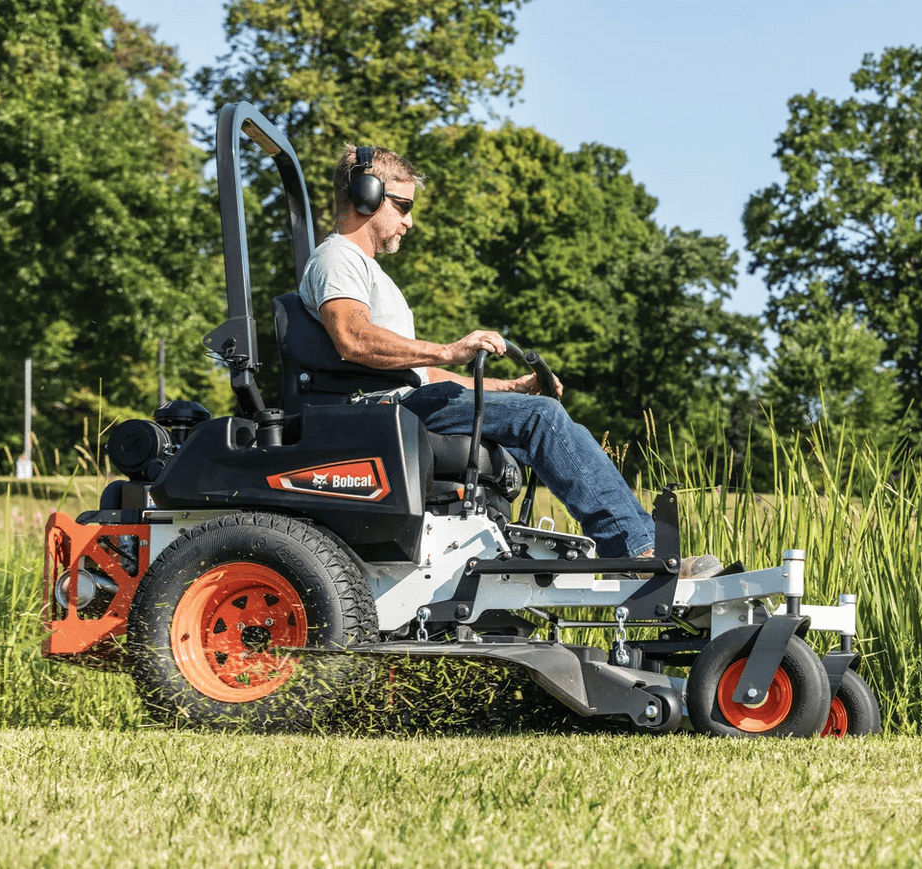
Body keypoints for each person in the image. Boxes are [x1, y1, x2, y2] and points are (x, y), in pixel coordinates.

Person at [298, 144, 719, 575]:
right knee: (544, 419)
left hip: (402, 404)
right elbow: (352, 336)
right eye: (402, 206)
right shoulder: (338, 258)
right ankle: (639, 551)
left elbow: (421, 375)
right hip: (378, 412)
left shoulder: (367, 271)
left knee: (535, 411)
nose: (410, 220)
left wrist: (511, 388)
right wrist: (450, 349)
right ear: (364, 196)